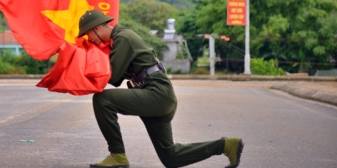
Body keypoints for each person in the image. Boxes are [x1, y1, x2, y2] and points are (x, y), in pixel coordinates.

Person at [77, 10, 244, 168]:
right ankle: (227, 145)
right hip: (157, 95)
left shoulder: (123, 38)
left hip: (156, 93)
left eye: (88, 34)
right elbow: (118, 77)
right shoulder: (118, 40)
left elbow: (113, 77)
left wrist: (79, 72)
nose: (89, 39)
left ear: (96, 28)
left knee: (102, 99)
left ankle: (117, 154)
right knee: (170, 157)